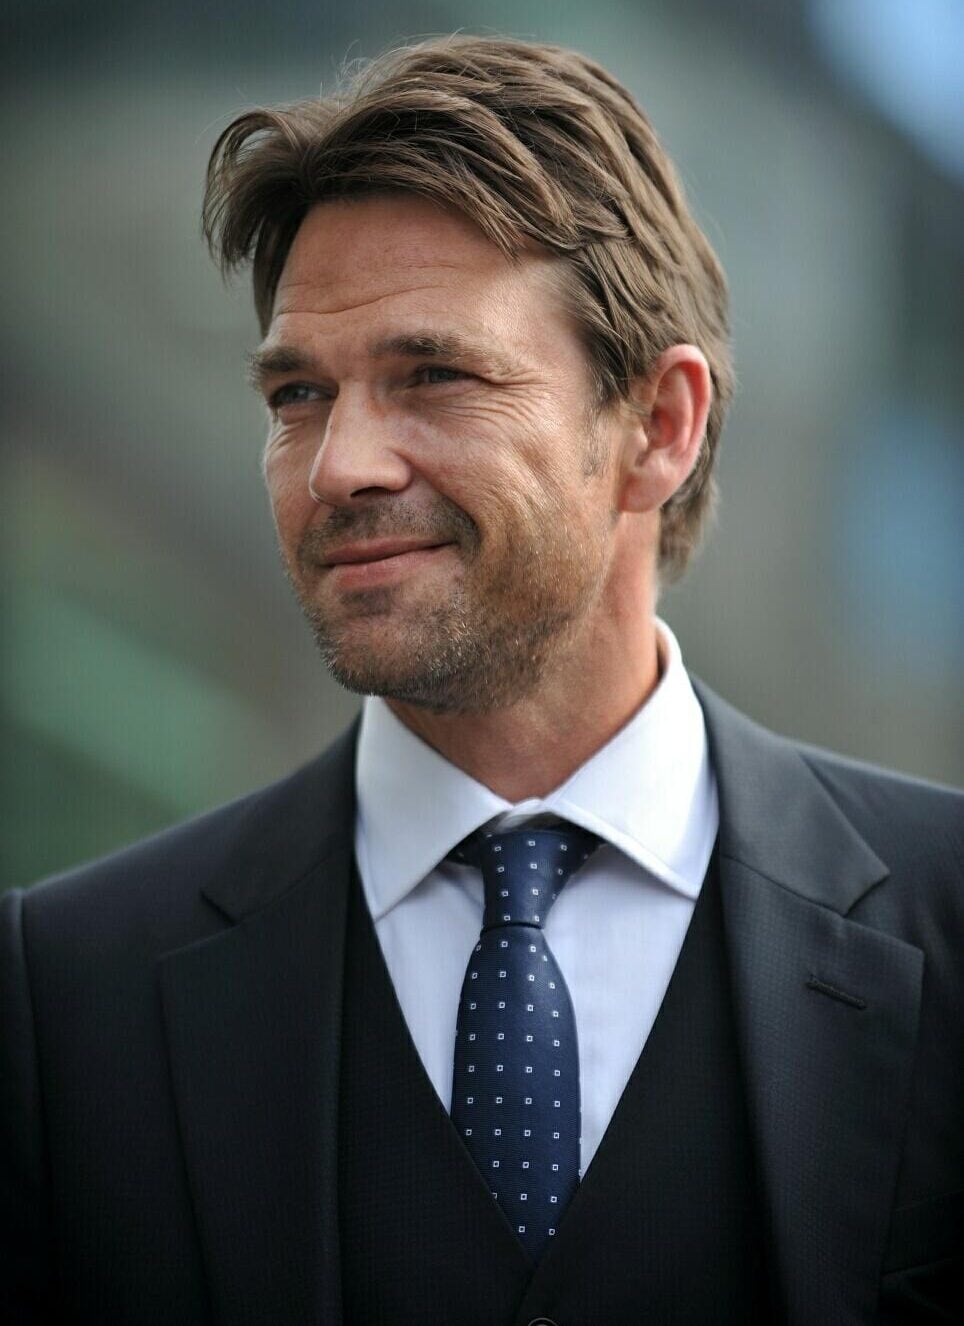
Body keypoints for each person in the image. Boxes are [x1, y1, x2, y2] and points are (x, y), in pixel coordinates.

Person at [1, 35, 961, 1325]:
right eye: (297, 395)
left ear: (659, 427)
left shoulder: (947, 932)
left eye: (434, 375)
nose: (339, 464)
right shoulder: (71, 990)